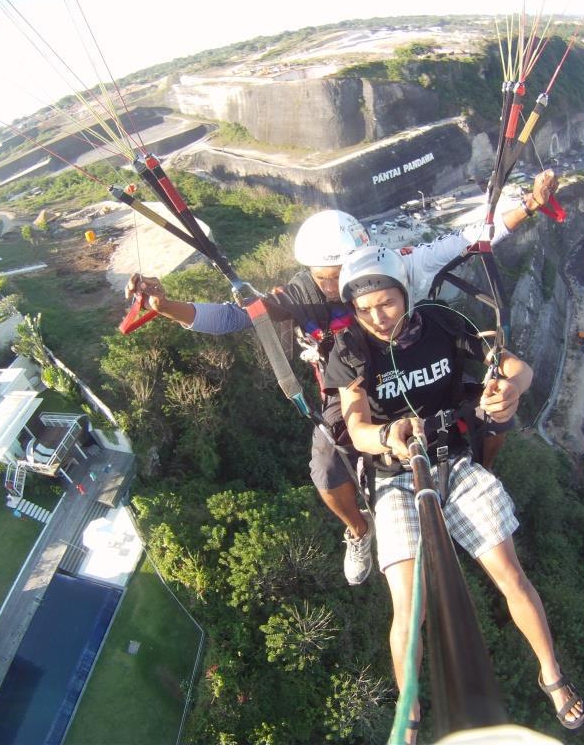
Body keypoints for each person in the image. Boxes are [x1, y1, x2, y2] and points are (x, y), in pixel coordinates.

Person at [127, 171, 560, 586]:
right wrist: (165, 307)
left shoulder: (396, 267)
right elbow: (233, 317)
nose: (335, 287)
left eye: (342, 274)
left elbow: (465, 241)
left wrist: (528, 206)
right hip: (349, 391)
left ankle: (475, 474)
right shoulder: (300, 296)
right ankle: (358, 530)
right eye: (324, 278)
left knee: (494, 409)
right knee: (326, 469)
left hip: (412, 374)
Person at [322, 245, 584, 736]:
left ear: (406, 294)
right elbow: (356, 425)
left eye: (387, 303)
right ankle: (409, 709)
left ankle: (551, 675)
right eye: (365, 309)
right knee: (410, 604)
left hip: (453, 458)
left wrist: (511, 388)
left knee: (509, 572)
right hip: (394, 472)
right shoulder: (351, 349)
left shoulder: (442, 323)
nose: (378, 318)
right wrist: (387, 435)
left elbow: (513, 365)